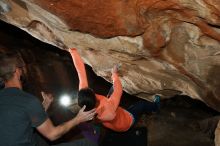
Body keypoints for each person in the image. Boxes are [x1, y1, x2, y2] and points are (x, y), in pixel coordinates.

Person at [0, 51, 97, 146]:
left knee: (38, 138)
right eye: (22, 68)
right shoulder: (27, 100)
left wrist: (45, 105)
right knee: (88, 143)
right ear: (17, 71)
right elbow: (52, 134)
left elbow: (20, 120)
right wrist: (78, 119)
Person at [69, 48, 160, 132]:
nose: (90, 89)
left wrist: (73, 51)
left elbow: (80, 71)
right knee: (141, 105)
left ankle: (129, 109)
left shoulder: (85, 99)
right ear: (95, 99)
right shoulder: (109, 109)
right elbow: (118, 90)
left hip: (112, 117)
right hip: (125, 122)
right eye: (91, 91)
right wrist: (114, 74)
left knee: (113, 96)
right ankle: (155, 107)